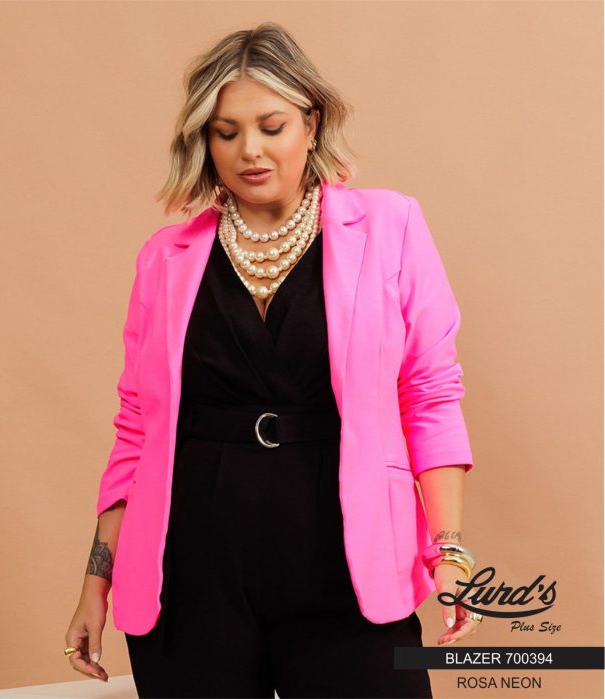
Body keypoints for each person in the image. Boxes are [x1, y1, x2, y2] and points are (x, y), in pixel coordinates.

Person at [65, 21, 482, 699]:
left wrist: (451, 550)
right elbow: (136, 427)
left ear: (311, 124)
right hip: (191, 574)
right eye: (226, 132)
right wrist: (96, 581)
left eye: (271, 126)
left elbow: (430, 394)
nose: (249, 150)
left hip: (349, 564)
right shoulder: (164, 259)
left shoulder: (390, 228)